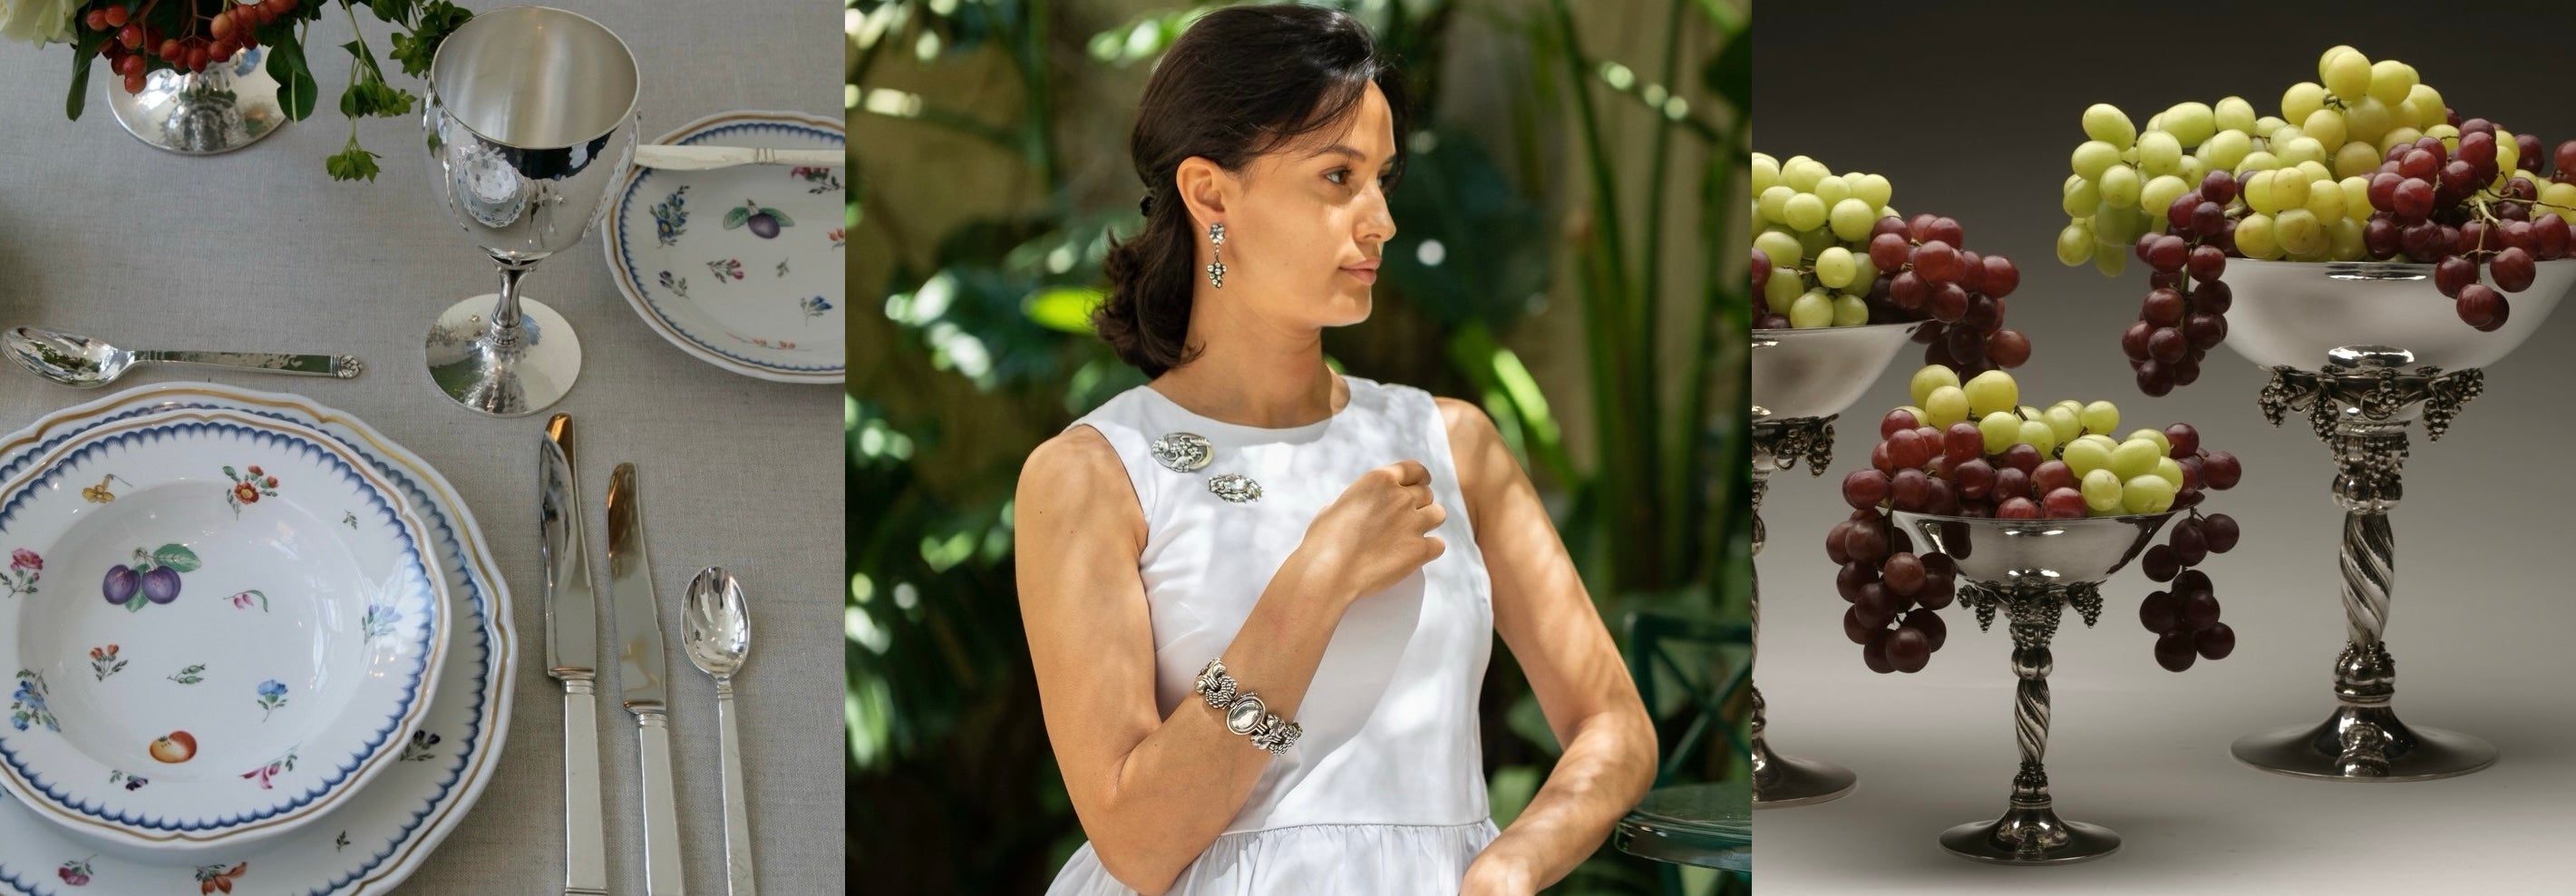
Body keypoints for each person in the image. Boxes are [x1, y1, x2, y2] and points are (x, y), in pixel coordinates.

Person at [1015, 5, 1655, 894]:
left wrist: (1508, 868)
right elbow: (1138, 842)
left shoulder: (1452, 444)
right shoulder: (1093, 475)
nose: (1380, 219)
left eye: (1382, 179)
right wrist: (1315, 583)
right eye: (1338, 176)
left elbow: (1613, 724)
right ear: (1210, 195)